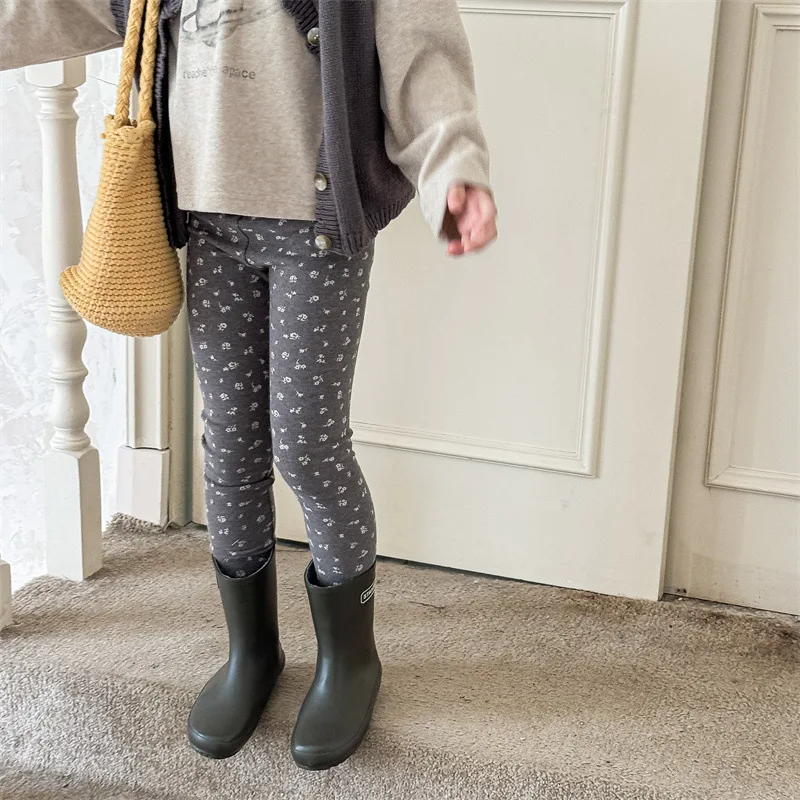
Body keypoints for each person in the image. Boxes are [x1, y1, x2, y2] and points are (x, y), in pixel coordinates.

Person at [1, 0, 497, 770]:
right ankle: (252, 651)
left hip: (316, 228)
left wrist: (453, 168)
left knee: (308, 448)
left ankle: (349, 659)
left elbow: (421, 56)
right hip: (209, 223)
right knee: (229, 449)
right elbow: (73, 8)